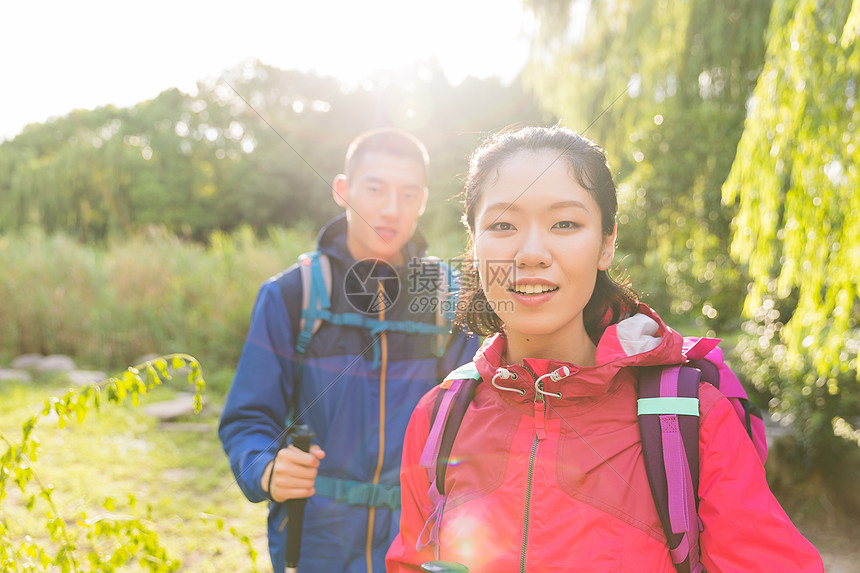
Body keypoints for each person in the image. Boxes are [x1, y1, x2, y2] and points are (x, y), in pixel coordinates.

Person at [385, 124, 824, 572]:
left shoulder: (689, 420)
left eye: (565, 223)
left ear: (607, 243)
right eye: (502, 225)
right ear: (474, 244)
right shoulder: (440, 417)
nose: (531, 252)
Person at [219, 127, 479, 572]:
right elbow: (247, 418)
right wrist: (266, 468)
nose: (391, 208)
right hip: (316, 539)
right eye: (375, 189)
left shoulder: (445, 296)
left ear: (423, 201)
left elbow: (479, 422)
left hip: (417, 538)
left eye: (408, 194)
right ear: (343, 190)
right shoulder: (293, 294)